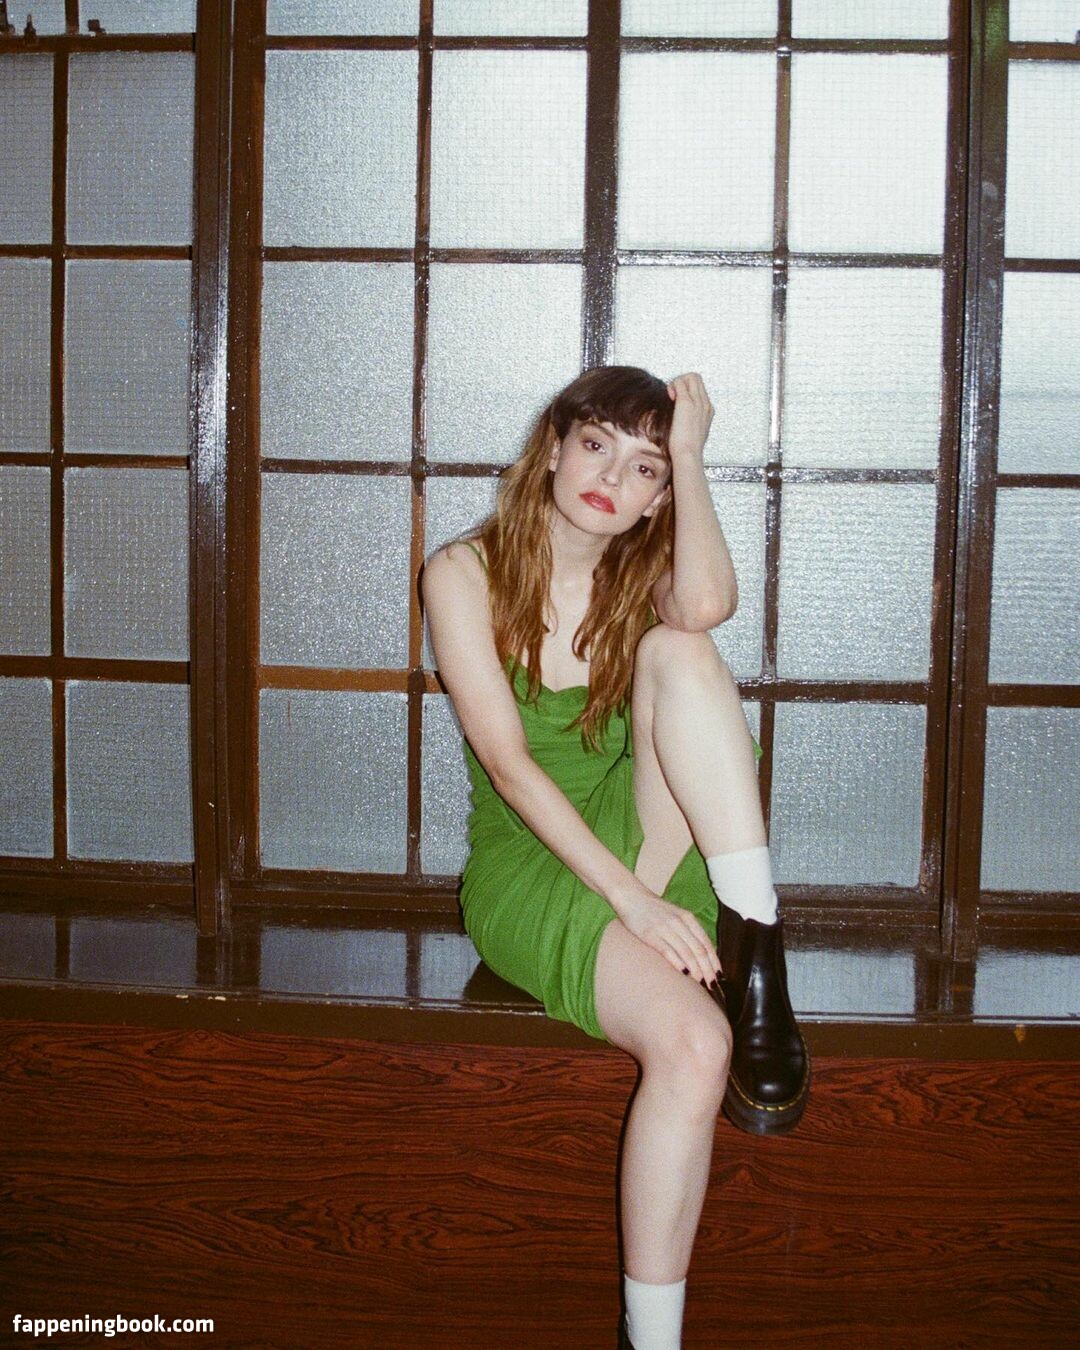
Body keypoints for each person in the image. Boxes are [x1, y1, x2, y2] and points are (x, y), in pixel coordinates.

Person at [422, 366, 808, 1350]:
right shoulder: (461, 573)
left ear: (658, 498)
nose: (610, 480)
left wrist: (691, 456)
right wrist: (632, 902)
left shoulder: (644, 577)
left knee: (683, 649)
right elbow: (508, 766)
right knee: (700, 1047)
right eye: (597, 446)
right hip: (537, 865)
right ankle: (653, 1338)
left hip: (652, 845)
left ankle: (757, 939)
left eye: (644, 469)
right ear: (554, 446)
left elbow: (708, 602)